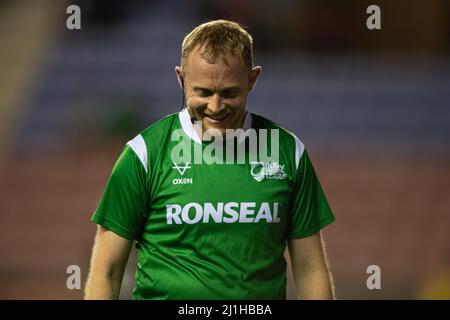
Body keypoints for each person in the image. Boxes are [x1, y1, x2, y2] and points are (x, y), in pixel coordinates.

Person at [84, 19, 336, 300]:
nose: (215, 107)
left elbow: (310, 268)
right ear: (181, 79)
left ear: (252, 80)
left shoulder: (288, 152)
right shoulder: (144, 154)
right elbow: (106, 272)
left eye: (229, 93)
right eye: (203, 92)